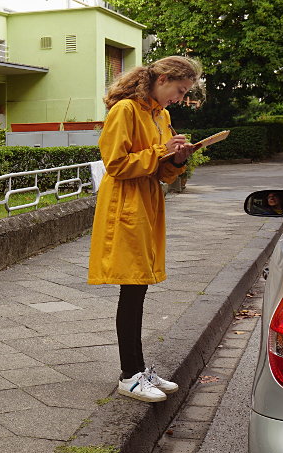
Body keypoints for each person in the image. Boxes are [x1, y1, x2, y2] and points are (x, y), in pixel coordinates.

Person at [88, 56, 202, 402]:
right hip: (125, 206)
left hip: (147, 204)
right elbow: (116, 165)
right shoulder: (125, 110)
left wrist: (178, 158)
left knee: (138, 288)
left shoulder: (160, 115)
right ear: (163, 78)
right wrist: (160, 150)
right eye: (180, 90)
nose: (179, 99)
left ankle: (138, 369)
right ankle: (130, 374)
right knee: (133, 289)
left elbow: (161, 170)